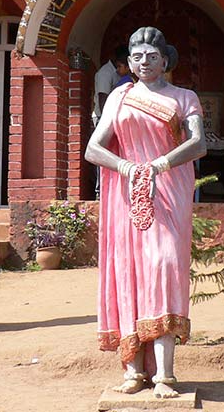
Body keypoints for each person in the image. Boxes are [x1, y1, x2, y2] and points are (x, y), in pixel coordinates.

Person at [85, 27, 206, 399]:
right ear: (130, 63)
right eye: (137, 57)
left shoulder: (184, 97)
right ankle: (134, 371)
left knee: (165, 265)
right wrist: (127, 169)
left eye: (152, 57)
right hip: (126, 194)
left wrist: (157, 166)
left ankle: (165, 375)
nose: (144, 63)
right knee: (130, 272)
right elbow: (94, 148)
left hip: (169, 189)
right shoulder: (119, 97)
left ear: (165, 61)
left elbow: (197, 143)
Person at [92, 45, 130, 126]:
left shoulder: (123, 75)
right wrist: (106, 121)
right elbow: (103, 97)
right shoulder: (105, 73)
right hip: (103, 117)